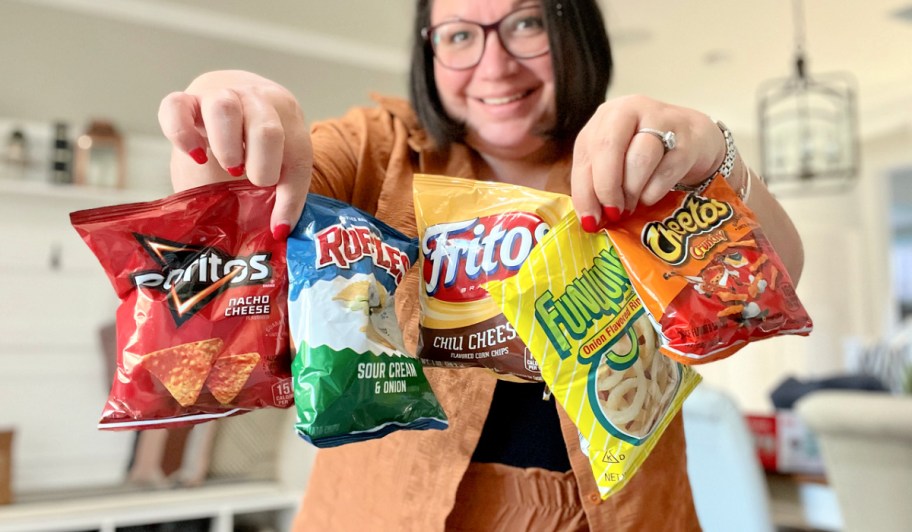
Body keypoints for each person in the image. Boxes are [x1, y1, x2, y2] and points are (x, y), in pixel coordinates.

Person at [158, 0, 804, 529]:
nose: (494, 66)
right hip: (384, 513)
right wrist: (220, 113)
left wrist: (717, 157)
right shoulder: (377, 150)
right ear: (429, 49)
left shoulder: (642, 163)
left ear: (573, 27)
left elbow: (770, 285)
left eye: (526, 23)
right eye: (460, 35)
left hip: (629, 515)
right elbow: (236, 225)